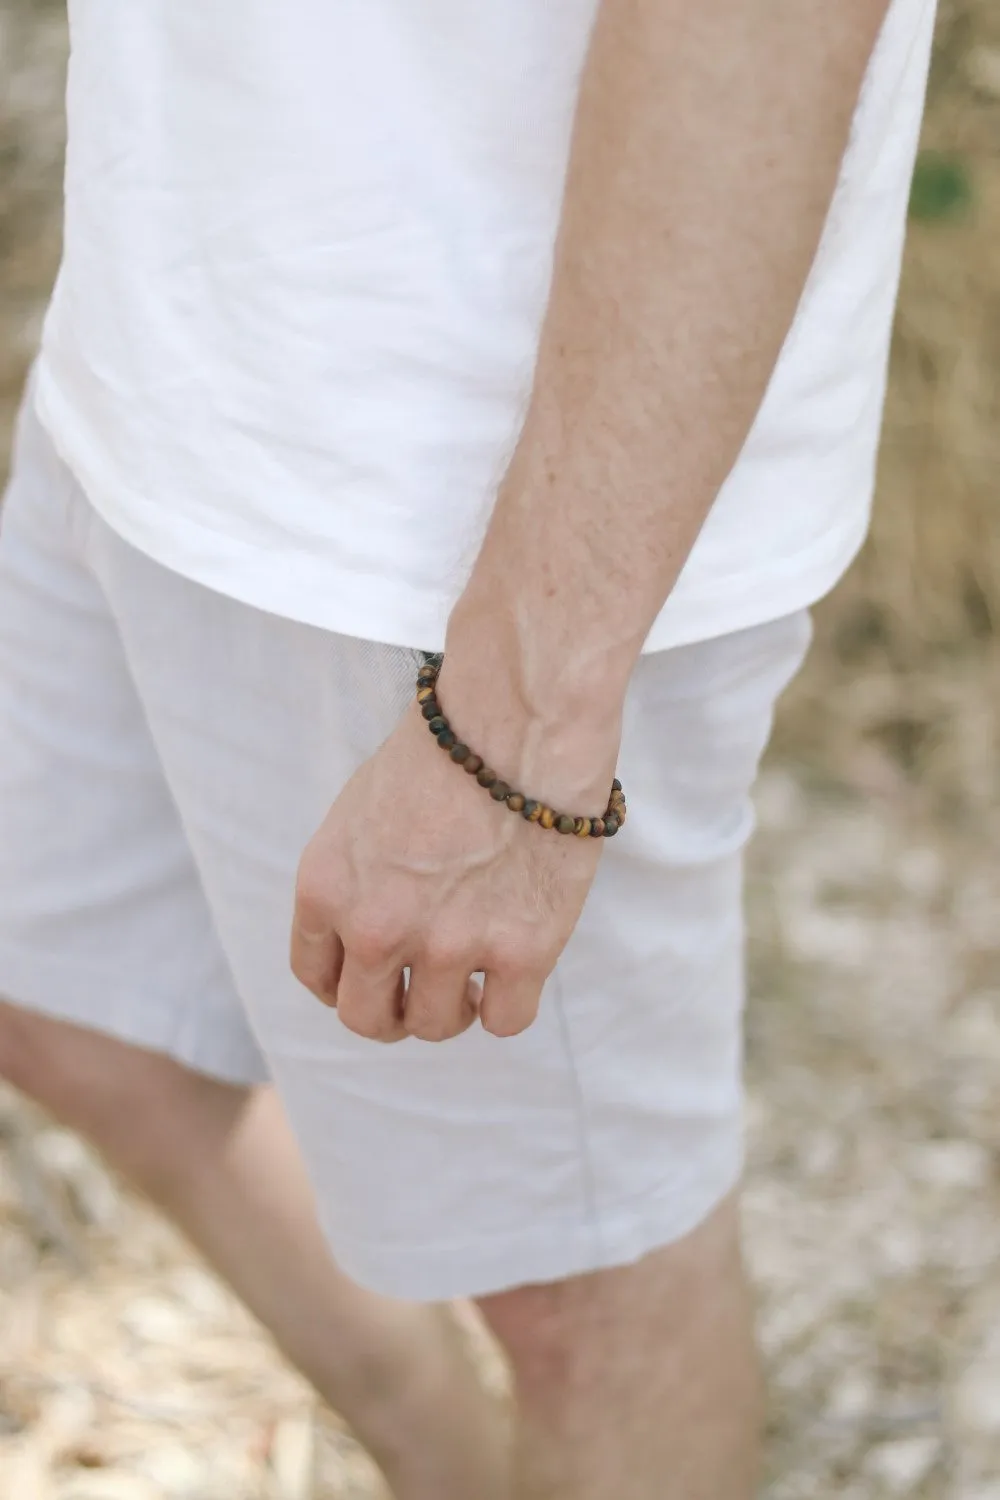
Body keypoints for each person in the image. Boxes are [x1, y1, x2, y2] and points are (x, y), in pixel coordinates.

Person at [0, 0, 937, 1495]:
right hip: (184, 349)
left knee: (588, 1302)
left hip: (453, 508)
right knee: (63, 995)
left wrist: (519, 724)